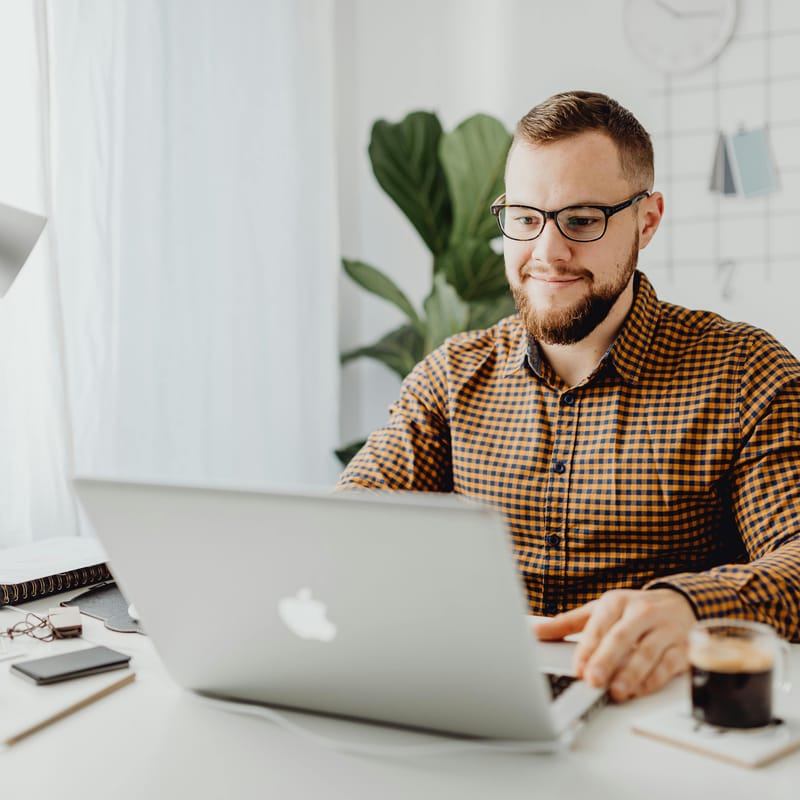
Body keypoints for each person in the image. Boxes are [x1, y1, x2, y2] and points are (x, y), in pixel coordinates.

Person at [337, 90, 800, 703]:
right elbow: (347, 530)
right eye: (526, 218)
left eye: (581, 221)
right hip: (474, 701)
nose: (547, 253)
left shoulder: (745, 374)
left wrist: (687, 605)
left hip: (654, 713)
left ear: (648, 220)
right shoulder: (450, 378)